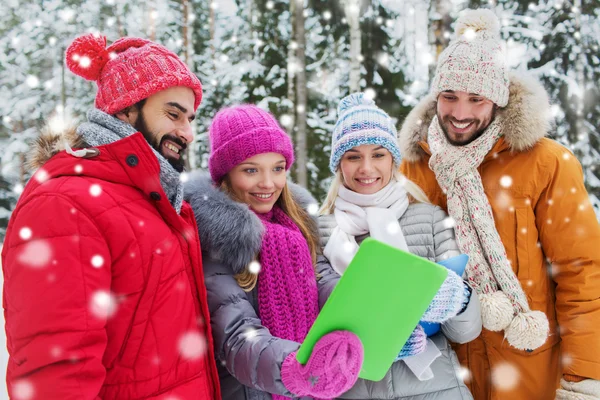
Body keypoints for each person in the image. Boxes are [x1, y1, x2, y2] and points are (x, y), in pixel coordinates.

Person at [1, 33, 221, 399]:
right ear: (125, 109)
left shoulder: (157, 201)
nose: (187, 132)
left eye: (191, 118)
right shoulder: (64, 203)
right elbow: (55, 374)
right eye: (172, 113)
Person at [399, 9, 600, 400]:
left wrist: (582, 380)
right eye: (449, 96)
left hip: (530, 373)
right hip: (444, 379)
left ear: (498, 99)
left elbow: (583, 274)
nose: (460, 113)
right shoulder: (413, 167)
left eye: (476, 99)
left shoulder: (546, 163)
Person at [184, 104, 364, 400]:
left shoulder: (298, 227)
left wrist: (370, 328)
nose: (268, 183)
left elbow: (326, 285)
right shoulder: (216, 243)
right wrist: (297, 368)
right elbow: (236, 338)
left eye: (277, 168)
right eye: (251, 170)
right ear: (225, 175)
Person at [317, 92, 481, 398]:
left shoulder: (431, 220)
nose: (366, 168)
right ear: (339, 165)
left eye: (378, 154)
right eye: (353, 156)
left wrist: (459, 298)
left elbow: (465, 331)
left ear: (394, 159)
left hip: (435, 388)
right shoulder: (319, 233)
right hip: (352, 389)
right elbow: (315, 321)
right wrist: (373, 334)